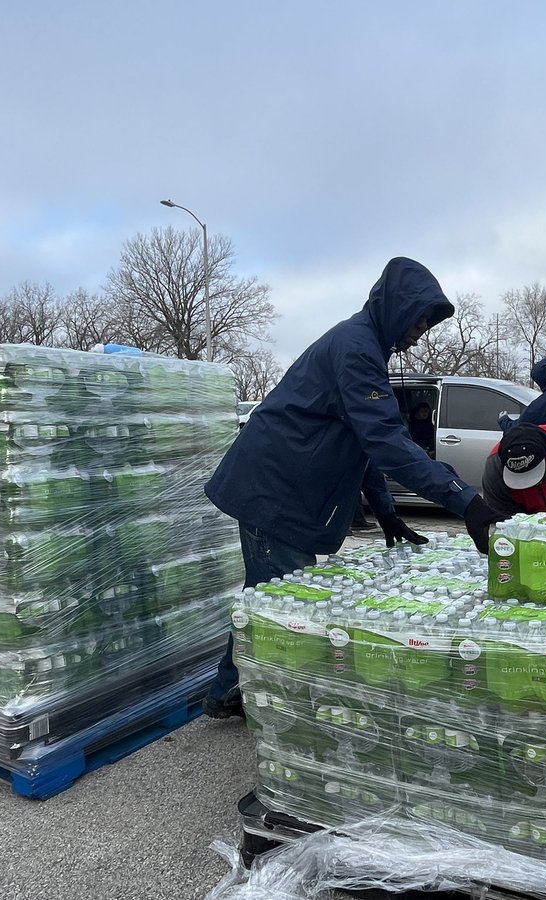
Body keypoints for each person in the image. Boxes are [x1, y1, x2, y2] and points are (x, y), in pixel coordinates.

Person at [203, 257, 499, 717]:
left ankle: (227, 691)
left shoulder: (364, 347)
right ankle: (275, 712)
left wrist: (386, 511)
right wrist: (466, 501)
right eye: (420, 318)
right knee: (280, 610)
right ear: (396, 307)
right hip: (275, 490)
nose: (422, 331)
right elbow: (386, 442)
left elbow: (360, 442)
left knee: (269, 596)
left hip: (286, 484)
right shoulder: (356, 348)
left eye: (428, 323)